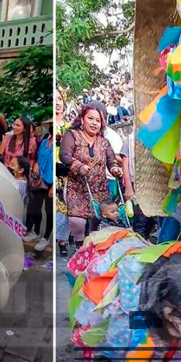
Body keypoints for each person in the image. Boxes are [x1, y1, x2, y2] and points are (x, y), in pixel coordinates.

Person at [58, 104, 122, 256]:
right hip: (78, 187)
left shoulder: (104, 142)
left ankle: (94, 250)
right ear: (82, 119)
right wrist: (78, 166)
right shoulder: (72, 135)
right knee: (77, 221)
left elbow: (111, 160)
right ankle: (81, 249)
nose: (94, 123)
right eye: (90, 118)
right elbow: (64, 155)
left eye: (98, 120)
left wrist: (114, 169)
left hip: (99, 188)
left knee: (96, 222)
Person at [27, 119, 54, 252]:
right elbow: (37, 157)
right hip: (40, 179)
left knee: (49, 211)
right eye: (50, 125)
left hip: (51, 181)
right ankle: (35, 232)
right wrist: (36, 164)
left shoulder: (59, 144)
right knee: (35, 206)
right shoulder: (44, 142)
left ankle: (46, 237)